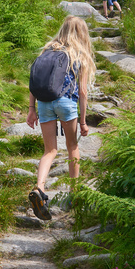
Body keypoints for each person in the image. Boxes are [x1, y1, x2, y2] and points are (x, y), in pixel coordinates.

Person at [25, 15, 96, 219]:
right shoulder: (78, 54)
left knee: (50, 150)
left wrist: (32, 109)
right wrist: (83, 120)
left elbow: (34, 81)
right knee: (72, 147)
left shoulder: (47, 51)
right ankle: (74, 193)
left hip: (44, 102)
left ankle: (39, 189)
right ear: (82, 34)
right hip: (66, 103)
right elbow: (82, 92)